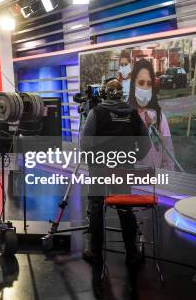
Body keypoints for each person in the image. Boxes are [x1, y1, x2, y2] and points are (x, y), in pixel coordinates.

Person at [80, 79, 150, 266]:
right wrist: (133, 158)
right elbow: (146, 143)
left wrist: (91, 161)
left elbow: (85, 143)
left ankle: (95, 251)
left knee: (96, 206)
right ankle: (132, 253)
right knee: (125, 207)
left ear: (103, 93)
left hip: (99, 168)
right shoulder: (133, 114)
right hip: (123, 168)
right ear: (122, 94)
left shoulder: (96, 113)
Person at [127, 59, 176, 170]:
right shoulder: (124, 116)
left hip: (156, 184)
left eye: (149, 84)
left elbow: (168, 158)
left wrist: (163, 184)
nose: (145, 88)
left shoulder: (159, 117)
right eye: (141, 83)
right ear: (133, 84)